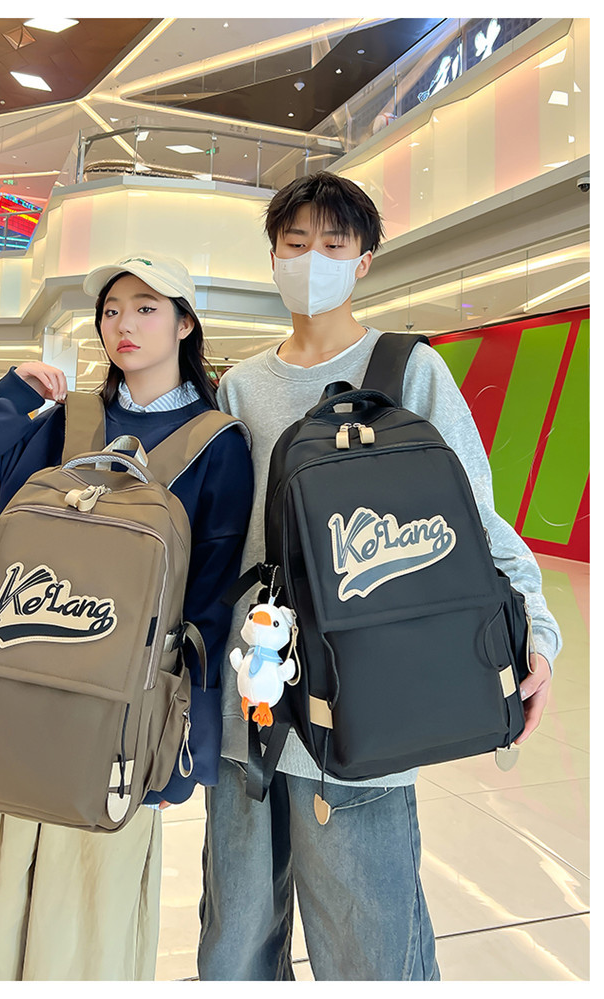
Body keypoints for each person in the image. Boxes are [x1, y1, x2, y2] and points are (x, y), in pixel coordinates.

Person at [197, 172, 562, 981]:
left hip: (365, 698)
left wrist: (535, 627)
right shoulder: (242, 385)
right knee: (235, 942)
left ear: (364, 261)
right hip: (250, 698)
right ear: (273, 257)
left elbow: (477, 513)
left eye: (334, 244)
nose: (312, 259)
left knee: (371, 946)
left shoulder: (406, 369)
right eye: (296, 243)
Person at [0, 253, 253, 981]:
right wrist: (10, 395)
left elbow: (210, 605)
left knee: (81, 921)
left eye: (146, 308)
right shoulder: (69, 421)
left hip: (115, 724)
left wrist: (184, 741)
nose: (124, 324)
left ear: (185, 324)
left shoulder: (218, 444)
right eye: (111, 310)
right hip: (6, 696)